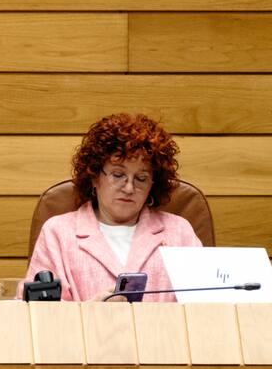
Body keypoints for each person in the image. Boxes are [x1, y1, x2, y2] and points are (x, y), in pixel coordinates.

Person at [24, 113, 202, 302]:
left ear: (153, 185)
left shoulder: (179, 232)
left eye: (141, 178)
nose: (129, 188)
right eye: (118, 175)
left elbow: (206, 308)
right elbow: (34, 313)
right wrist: (91, 310)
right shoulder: (58, 233)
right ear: (94, 176)